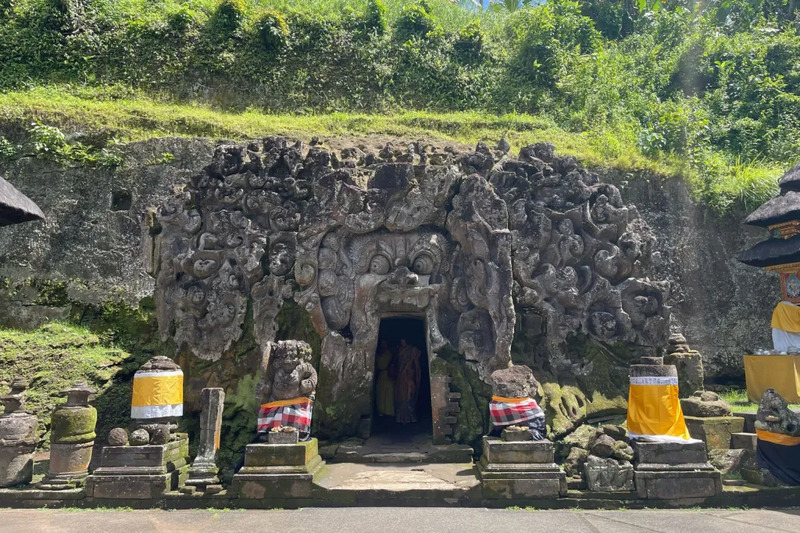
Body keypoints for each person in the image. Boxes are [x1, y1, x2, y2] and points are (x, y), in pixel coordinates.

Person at [394, 338, 421, 424]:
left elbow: (416, 364)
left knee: (409, 395)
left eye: (404, 340)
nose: (402, 342)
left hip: (409, 375)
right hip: (400, 376)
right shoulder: (399, 350)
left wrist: (417, 376)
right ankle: (400, 417)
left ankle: (411, 417)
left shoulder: (413, 350)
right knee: (400, 395)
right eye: (401, 341)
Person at [375, 341, 395, 417]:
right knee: (380, 393)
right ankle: (381, 411)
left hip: (387, 374)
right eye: (382, 344)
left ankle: (389, 411)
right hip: (381, 375)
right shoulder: (379, 353)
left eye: (384, 344)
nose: (383, 345)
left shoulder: (388, 354)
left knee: (389, 394)